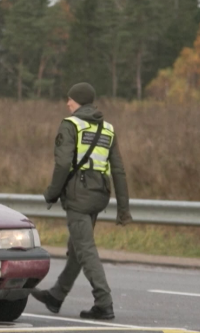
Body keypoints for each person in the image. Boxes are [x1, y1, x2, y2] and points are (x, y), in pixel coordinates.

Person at [31, 82, 131, 320]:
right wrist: (123, 209)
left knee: (85, 249)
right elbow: (118, 170)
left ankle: (103, 302)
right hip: (99, 196)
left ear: (79, 101)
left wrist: (52, 193)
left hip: (78, 196)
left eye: (70, 99)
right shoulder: (108, 128)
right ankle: (56, 296)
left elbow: (63, 163)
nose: (67, 103)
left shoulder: (70, 125)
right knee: (78, 246)